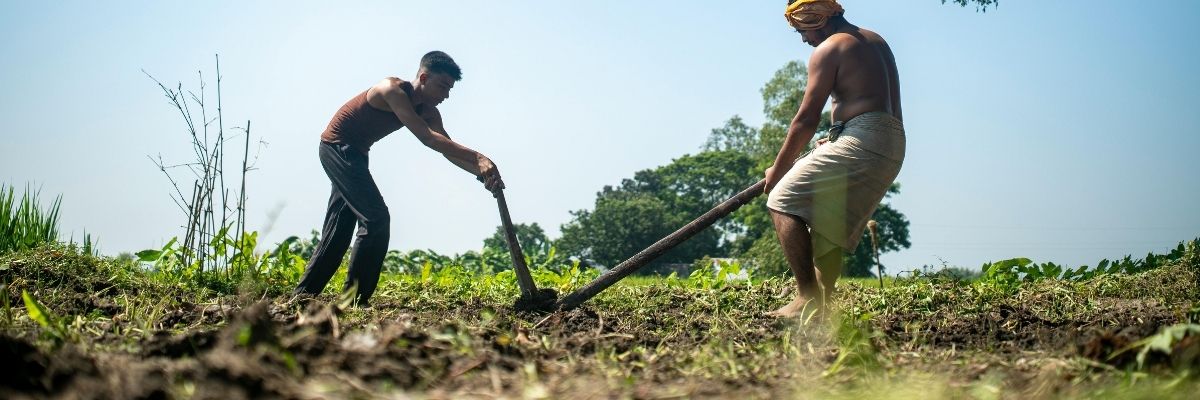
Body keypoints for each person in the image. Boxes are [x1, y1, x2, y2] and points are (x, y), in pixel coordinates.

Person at [293, 51, 503, 307]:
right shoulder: (392, 90)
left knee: (339, 230)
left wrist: (482, 173)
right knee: (376, 219)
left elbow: (445, 148)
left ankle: (302, 296)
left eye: (450, 90)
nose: (446, 95)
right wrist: (480, 157)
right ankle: (353, 300)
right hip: (337, 148)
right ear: (423, 77)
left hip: (356, 154)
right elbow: (427, 138)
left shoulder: (428, 112)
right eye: (442, 86)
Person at [763, 0, 906, 317]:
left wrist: (778, 169)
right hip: (891, 142)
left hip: (864, 139)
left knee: (782, 199)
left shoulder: (829, 49)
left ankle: (806, 298)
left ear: (815, 18)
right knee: (829, 225)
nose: (804, 39)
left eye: (802, 30)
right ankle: (822, 303)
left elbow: (805, 120)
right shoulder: (875, 40)